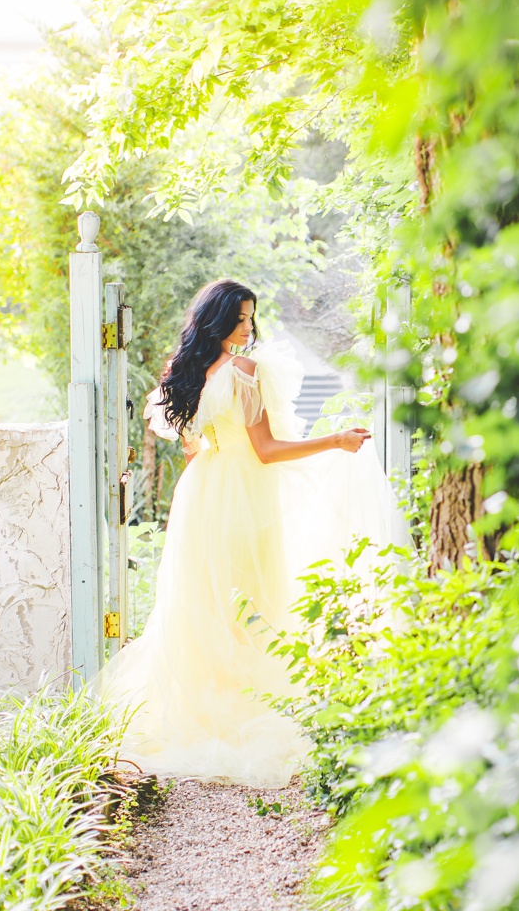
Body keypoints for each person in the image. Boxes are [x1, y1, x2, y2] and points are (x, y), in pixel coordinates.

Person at [97, 278, 409, 786]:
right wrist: (335, 440)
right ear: (218, 320)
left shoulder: (185, 371)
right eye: (240, 318)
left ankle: (204, 708)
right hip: (242, 495)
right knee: (253, 598)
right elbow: (265, 450)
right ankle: (244, 710)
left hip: (202, 493)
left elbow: (193, 447)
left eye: (250, 318)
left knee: (206, 600)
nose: (248, 327)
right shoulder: (245, 371)